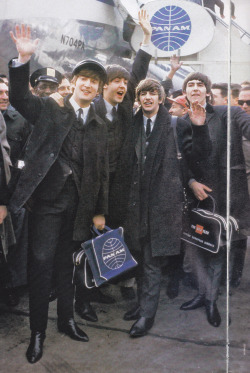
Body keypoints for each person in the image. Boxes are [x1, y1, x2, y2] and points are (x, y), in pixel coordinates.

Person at [9, 24, 109, 363]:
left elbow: (100, 173)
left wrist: (98, 210)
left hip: (79, 207)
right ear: (75, 81)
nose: (88, 84)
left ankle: (66, 320)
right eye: (84, 77)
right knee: (40, 265)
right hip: (49, 204)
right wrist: (23, 59)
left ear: (98, 89)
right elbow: (21, 98)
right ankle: (38, 332)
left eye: (95, 81)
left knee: (67, 266)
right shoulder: (52, 108)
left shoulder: (99, 123)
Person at [110, 77, 211, 337]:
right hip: (135, 204)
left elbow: (198, 159)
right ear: (138, 98)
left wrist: (200, 129)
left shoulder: (176, 124)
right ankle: (144, 305)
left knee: (152, 260)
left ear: (161, 97)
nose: (147, 98)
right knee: (140, 258)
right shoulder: (132, 123)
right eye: (143, 93)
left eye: (152, 93)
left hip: (161, 204)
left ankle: (146, 315)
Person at [180, 72, 250, 327]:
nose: (196, 88)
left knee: (218, 248)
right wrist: (191, 182)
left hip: (226, 197)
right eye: (191, 84)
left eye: (200, 84)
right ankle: (201, 294)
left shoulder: (229, 113)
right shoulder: (182, 122)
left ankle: (211, 301)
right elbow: (182, 160)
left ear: (208, 92)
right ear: (185, 92)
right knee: (196, 246)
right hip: (196, 196)